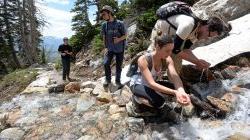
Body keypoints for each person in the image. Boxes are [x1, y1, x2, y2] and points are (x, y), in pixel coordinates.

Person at [126, 31, 191, 122]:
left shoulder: (167, 59)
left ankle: (152, 98)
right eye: (167, 50)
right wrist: (175, 92)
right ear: (157, 47)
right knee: (159, 101)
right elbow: (151, 83)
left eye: (171, 50)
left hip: (153, 83)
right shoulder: (143, 59)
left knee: (181, 89)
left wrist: (181, 91)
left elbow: (175, 76)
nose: (169, 53)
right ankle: (137, 100)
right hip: (138, 84)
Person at [148, 6, 231, 74]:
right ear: (206, 27)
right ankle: (142, 77)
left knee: (177, 64)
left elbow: (186, 49)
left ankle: (171, 83)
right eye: (209, 35)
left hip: (173, 37)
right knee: (154, 58)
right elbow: (176, 50)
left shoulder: (197, 32)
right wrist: (196, 62)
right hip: (161, 32)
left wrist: (198, 61)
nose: (206, 38)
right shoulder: (188, 24)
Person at [100, 5, 127, 87]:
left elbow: (125, 35)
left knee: (119, 66)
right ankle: (108, 80)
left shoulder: (120, 23)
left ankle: (118, 81)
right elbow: (104, 37)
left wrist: (119, 39)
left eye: (104, 14)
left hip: (120, 49)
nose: (103, 16)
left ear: (109, 13)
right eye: (102, 15)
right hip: (110, 48)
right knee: (106, 63)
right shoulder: (104, 25)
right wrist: (105, 47)